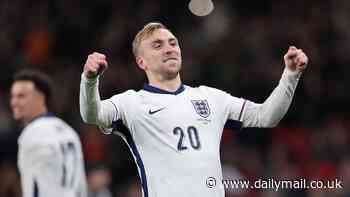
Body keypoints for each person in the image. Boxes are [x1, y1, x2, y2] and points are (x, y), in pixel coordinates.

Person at [80, 22, 308, 197]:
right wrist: (90, 80)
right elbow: (92, 115)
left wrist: (290, 75)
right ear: (142, 62)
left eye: (172, 42)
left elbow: (266, 116)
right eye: (157, 45)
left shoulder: (210, 98)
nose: (169, 49)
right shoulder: (131, 104)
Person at [11, 70, 87, 197]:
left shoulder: (31, 134)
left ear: (41, 98)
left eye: (21, 96)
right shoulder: (70, 132)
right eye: (12, 96)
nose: (14, 102)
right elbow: (81, 187)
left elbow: (32, 189)